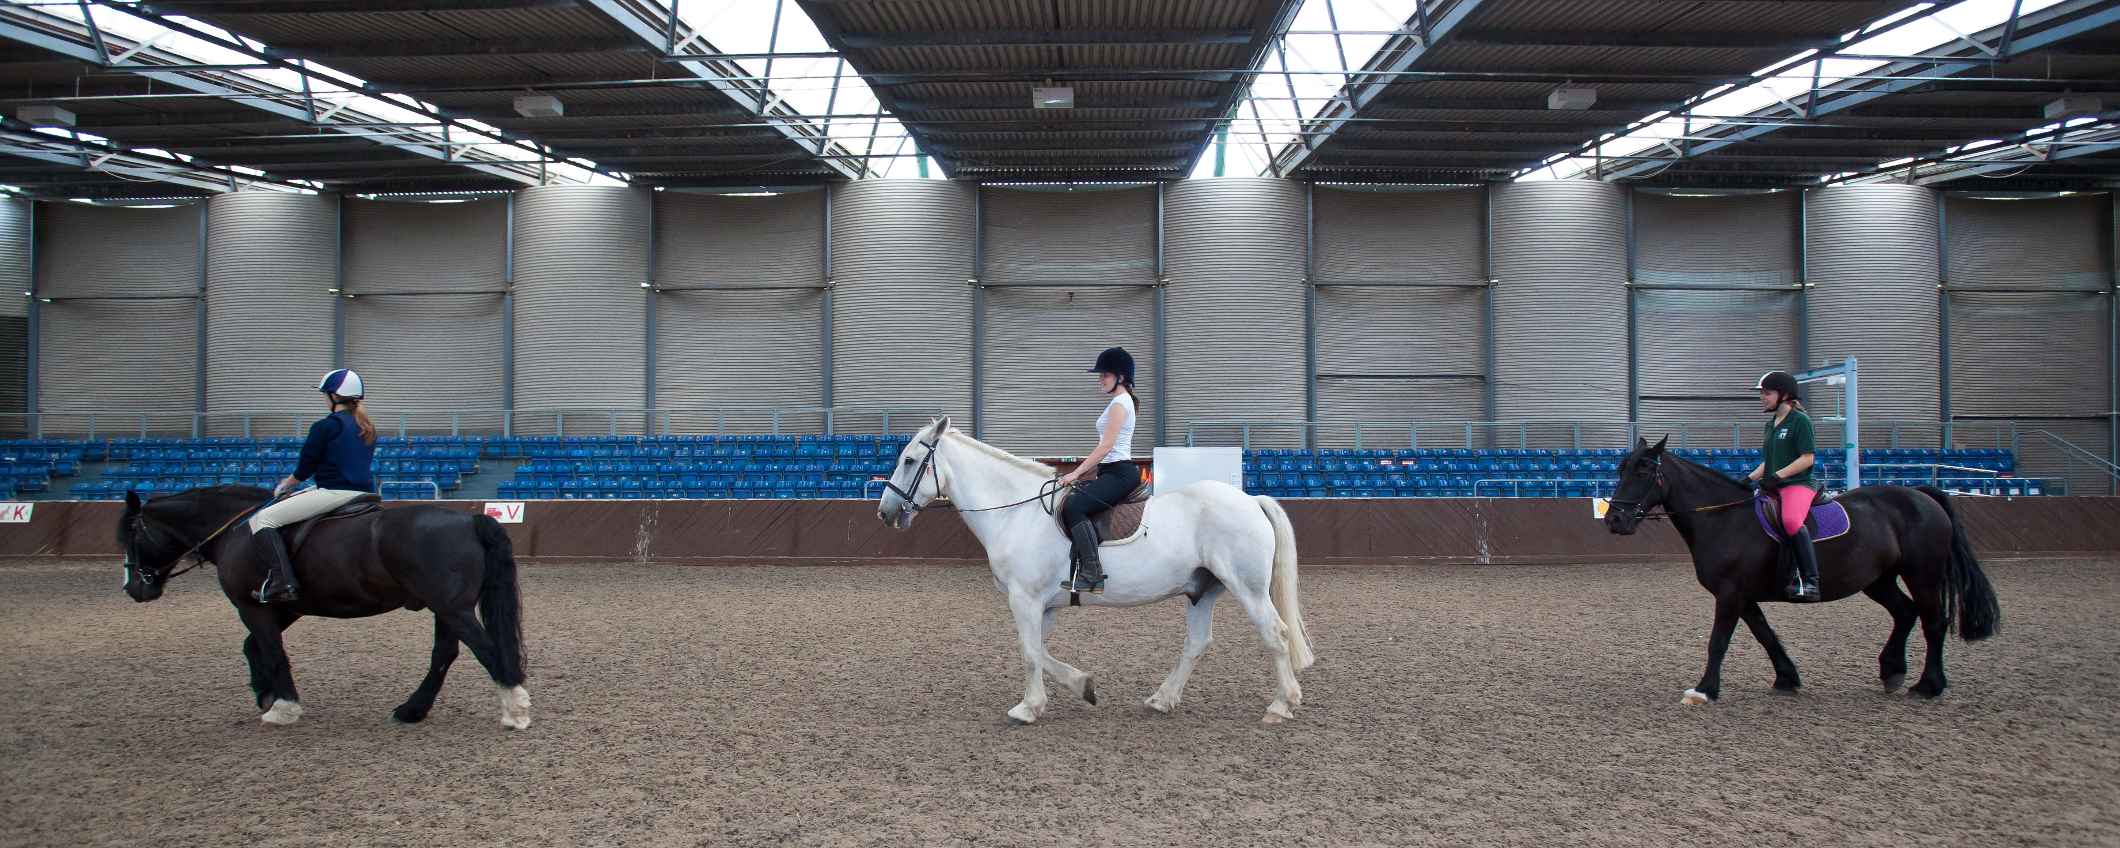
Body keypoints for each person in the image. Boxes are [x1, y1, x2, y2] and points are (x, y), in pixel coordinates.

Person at [248, 369, 379, 604]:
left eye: (325, 394)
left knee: (262, 520)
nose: (324, 399)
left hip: (335, 492)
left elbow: (306, 467)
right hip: (366, 492)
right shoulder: (366, 426)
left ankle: (282, 583)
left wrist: (286, 485)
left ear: (334, 396)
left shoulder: (325, 426)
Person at [1058, 347, 1142, 594]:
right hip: (1110, 471)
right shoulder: (1120, 402)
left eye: (1105, 375)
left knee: (1074, 507)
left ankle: (1093, 574)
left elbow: (1106, 446)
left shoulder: (1120, 403)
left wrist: (1075, 473)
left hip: (1120, 473)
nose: (1100, 379)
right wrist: (1087, 471)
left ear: (1121, 377)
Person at [1746, 370, 1820, 602]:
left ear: (1785, 395)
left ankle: (1810, 581)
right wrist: (1748, 479)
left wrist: (1778, 476)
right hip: (1774, 485)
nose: (1762, 398)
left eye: (1767, 393)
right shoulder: (1770, 425)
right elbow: (1769, 460)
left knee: (1791, 521)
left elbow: (1807, 458)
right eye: (1762, 393)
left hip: (1798, 484)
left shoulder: (1800, 421)